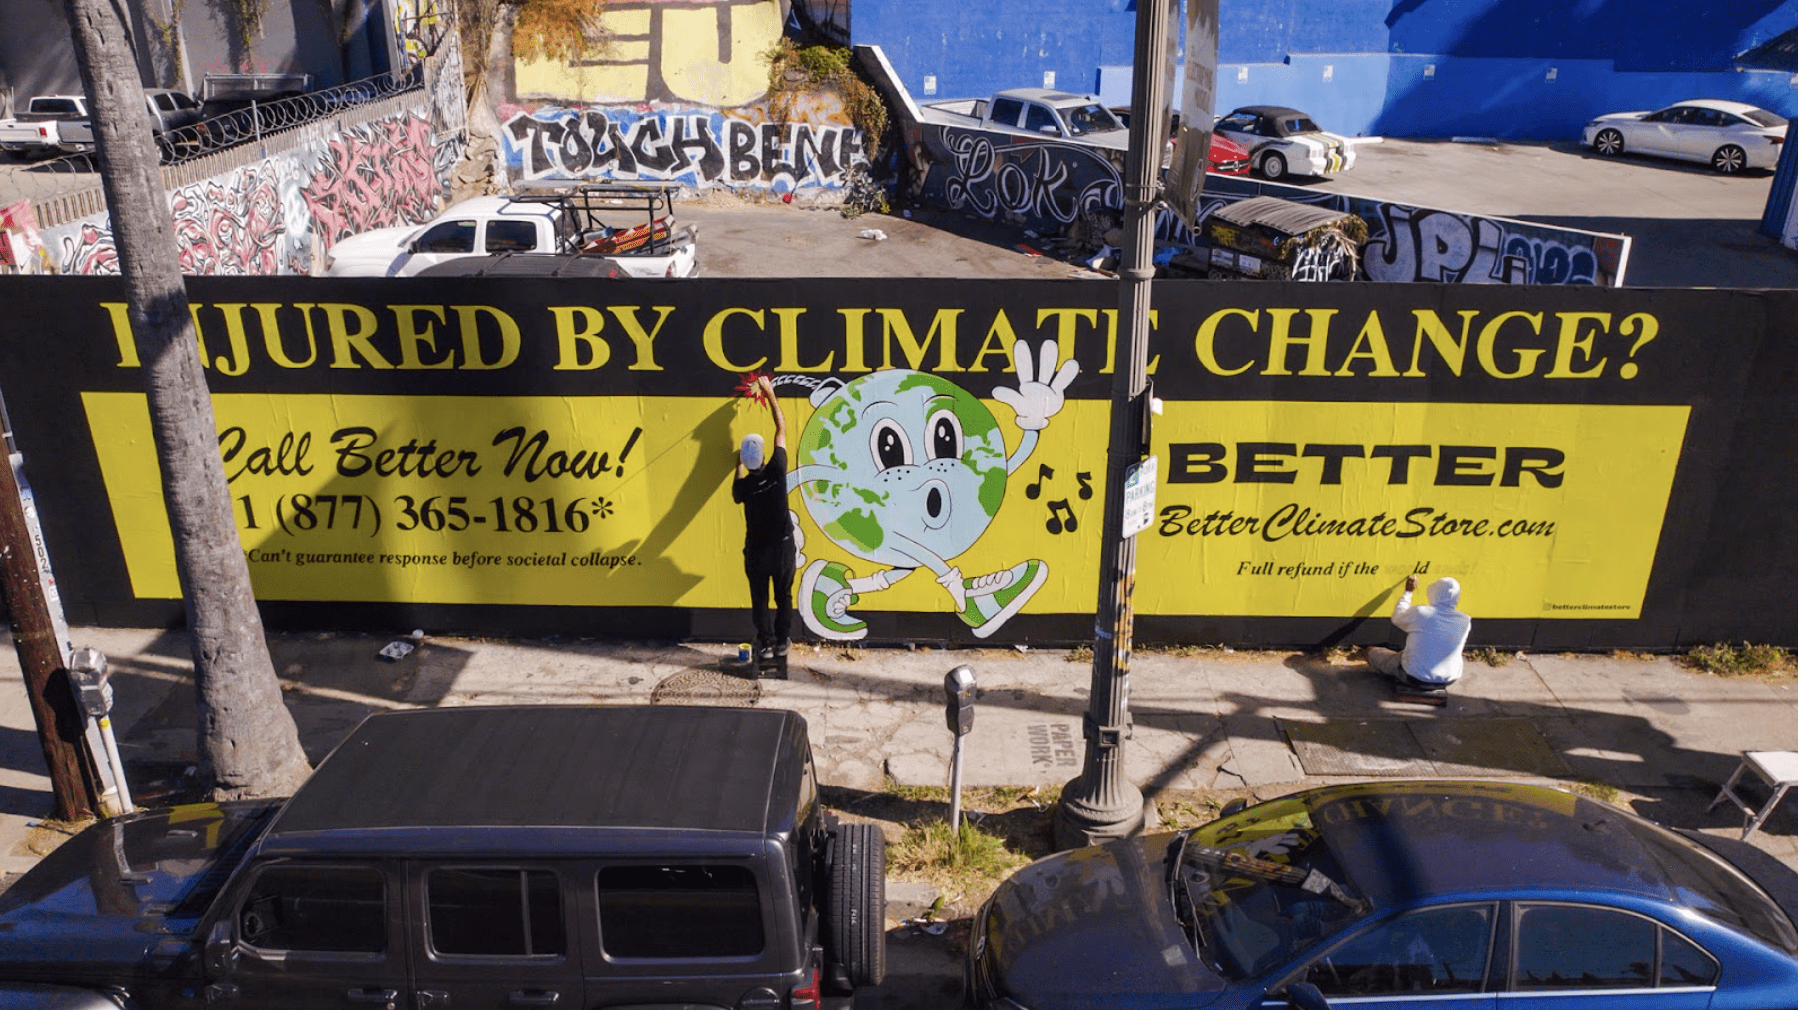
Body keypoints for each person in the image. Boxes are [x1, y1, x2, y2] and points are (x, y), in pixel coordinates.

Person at [732, 376, 794, 664]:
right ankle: (782, 643)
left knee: (760, 599)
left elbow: (737, 490)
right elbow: (781, 428)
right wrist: (770, 392)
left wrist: (738, 464)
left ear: (746, 463)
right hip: (781, 548)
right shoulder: (777, 470)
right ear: (765, 455)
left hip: (757, 552)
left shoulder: (744, 488)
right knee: (783, 596)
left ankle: (765, 644)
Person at [1365, 575, 1471, 689]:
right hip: (1449, 679)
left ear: (1433, 592)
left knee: (1370, 651)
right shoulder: (1465, 620)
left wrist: (1408, 592)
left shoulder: (1421, 613)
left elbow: (1397, 617)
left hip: (1413, 677)